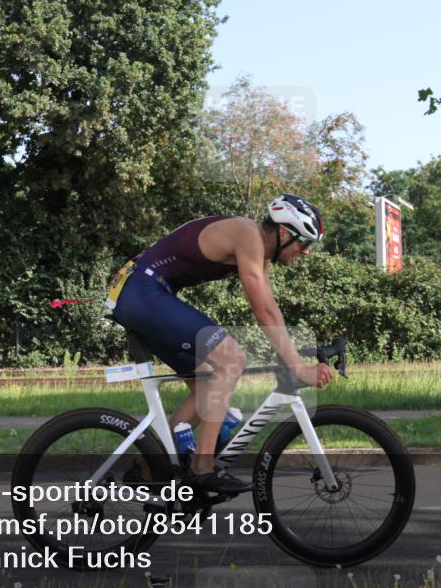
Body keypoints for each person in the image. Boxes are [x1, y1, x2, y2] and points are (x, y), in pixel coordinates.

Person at [106, 194, 334, 494]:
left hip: (144, 291)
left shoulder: (259, 251)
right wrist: (299, 369)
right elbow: (263, 313)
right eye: (303, 242)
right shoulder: (248, 235)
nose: (305, 251)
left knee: (207, 392)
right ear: (283, 232)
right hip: (142, 290)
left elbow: (271, 309)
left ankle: (149, 471)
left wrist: (296, 355)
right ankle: (202, 467)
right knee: (231, 359)